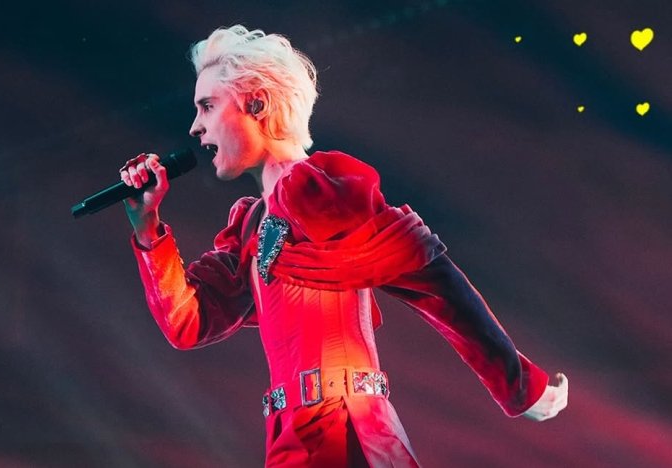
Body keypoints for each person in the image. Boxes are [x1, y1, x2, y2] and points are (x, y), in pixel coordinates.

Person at [120, 25, 568, 467]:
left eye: (207, 106)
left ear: (257, 103)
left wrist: (518, 385)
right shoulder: (252, 224)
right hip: (293, 438)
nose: (195, 127)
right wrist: (147, 225)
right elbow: (188, 323)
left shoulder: (313, 188)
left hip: (344, 430)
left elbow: (434, 279)